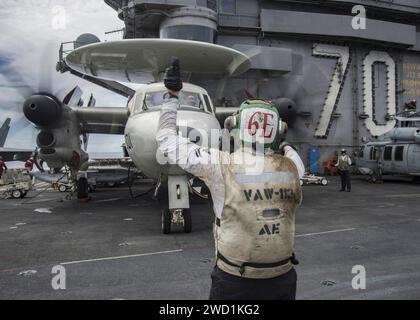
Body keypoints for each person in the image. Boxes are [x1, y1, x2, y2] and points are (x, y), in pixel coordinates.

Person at [156, 59, 305, 300]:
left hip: (236, 281)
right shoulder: (293, 168)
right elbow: (292, 154)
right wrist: (285, 143)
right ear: (277, 130)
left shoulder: (220, 165)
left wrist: (172, 96)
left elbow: (166, 140)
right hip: (283, 279)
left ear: (237, 127)